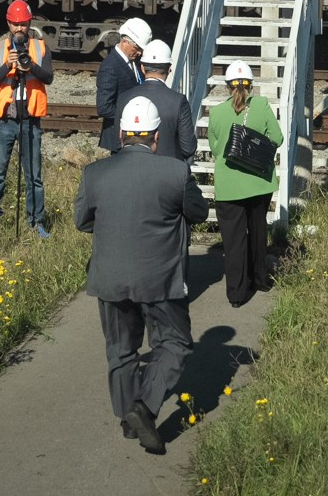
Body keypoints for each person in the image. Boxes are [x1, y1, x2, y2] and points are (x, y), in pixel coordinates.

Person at [75, 96, 208, 456]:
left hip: (110, 277)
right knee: (174, 344)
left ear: (120, 133)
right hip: (160, 279)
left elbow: (82, 221)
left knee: (120, 351)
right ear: (156, 135)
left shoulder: (94, 174)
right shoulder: (175, 173)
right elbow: (199, 211)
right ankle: (144, 408)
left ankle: (126, 420)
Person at [207, 60, 284, 308]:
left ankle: (237, 294)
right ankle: (261, 280)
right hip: (259, 182)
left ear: (228, 86)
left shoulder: (217, 112)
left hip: (228, 187)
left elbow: (215, 148)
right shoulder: (261, 106)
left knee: (234, 241)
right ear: (251, 85)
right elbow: (278, 138)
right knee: (258, 232)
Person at [0, 0, 54, 236]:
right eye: (15, 24)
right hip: (4, 121)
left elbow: (48, 77)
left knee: (34, 176)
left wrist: (30, 66)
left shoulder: (40, 48)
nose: (19, 29)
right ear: (8, 23)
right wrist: (8, 65)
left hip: (30, 121)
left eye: (23, 24)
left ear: (29, 23)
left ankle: (37, 221)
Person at [96, 16, 154, 152]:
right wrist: (133, 115)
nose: (139, 53)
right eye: (137, 48)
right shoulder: (110, 66)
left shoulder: (132, 62)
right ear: (125, 41)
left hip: (133, 136)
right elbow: (103, 107)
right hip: (119, 137)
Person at [133, 39, 195, 160]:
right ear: (169, 69)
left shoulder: (125, 97)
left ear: (142, 68)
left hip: (130, 172)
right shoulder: (178, 101)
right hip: (169, 172)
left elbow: (117, 143)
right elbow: (188, 148)